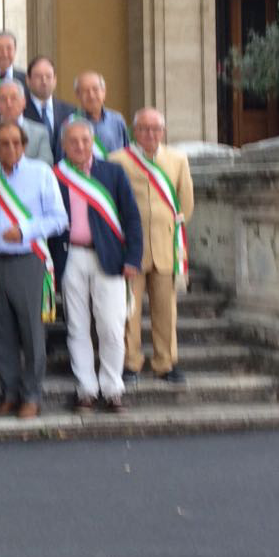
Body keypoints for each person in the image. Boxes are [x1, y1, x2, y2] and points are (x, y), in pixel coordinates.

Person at [0, 120, 68, 418]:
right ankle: (9, 393)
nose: (11, 148)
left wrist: (25, 231)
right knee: (2, 333)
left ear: (25, 146)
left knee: (32, 332)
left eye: (17, 143)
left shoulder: (41, 173)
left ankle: (32, 395)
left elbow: (59, 218)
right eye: (4, 144)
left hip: (29, 259)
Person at [56, 117, 143, 413]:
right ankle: (86, 389)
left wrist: (133, 258)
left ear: (92, 142)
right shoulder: (57, 175)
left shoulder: (113, 172)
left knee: (111, 326)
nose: (80, 146)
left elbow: (131, 217)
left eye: (85, 140)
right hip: (70, 256)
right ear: (64, 145)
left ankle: (112, 388)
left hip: (110, 257)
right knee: (77, 326)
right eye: (73, 141)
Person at [111, 107, 195, 386]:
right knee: (129, 311)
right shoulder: (118, 160)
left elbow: (186, 201)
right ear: (134, 131)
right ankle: (130, 362)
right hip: (131, 249)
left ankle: (165, 362)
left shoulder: (178, 159)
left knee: (166, 311)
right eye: (144, 129)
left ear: (163, 131)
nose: (150, 134)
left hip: (165, 246)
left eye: (156, 129)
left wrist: (173, 230)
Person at [0, 80, 52, 173]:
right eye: (3, 99)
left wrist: (15, 166)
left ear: (23, 102)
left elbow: (47, 162)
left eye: (14, 98)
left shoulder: (40, 132)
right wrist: (12, 164)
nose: (9, 104)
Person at [23, 54, 75, 160]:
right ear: (28, 80)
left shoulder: (70, 111)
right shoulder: (20, 111)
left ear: (55, 80)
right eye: (38, 76)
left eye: (48, 76)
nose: (44, 80)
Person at [70, 70, 131, 155]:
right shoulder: (70, 123)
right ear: (77, 95)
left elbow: (127, 152)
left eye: (95, 90)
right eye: (85, 91)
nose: (91, 95)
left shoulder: (117, 120)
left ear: (104, 92)